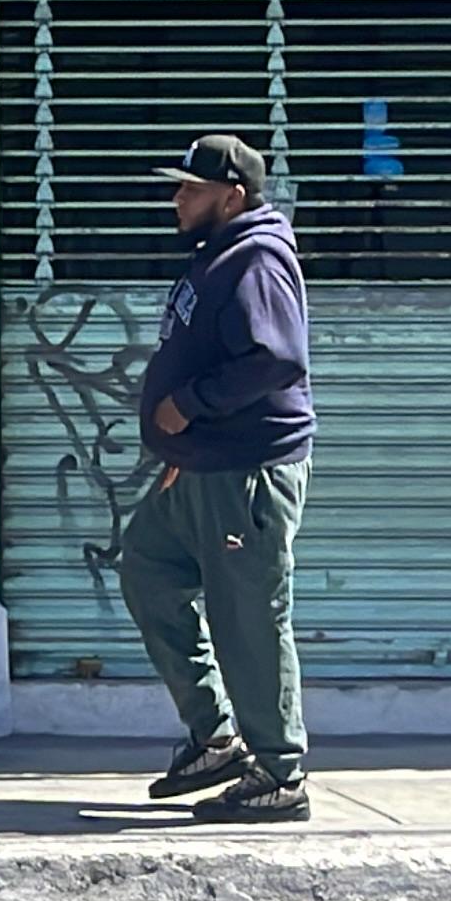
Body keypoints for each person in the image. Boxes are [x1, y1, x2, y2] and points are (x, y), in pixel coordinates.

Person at [123, 134, 317, 825]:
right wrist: (189, 443)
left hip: (247, 473)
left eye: (191, 188)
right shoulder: (217, 258)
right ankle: (214, 737)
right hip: (203, 466)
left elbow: (275, 360)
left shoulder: (257, 257)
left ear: (231, 195)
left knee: (249, 618)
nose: (178, 199)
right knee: (147, 569)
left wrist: (191, 407)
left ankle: (278, 771)